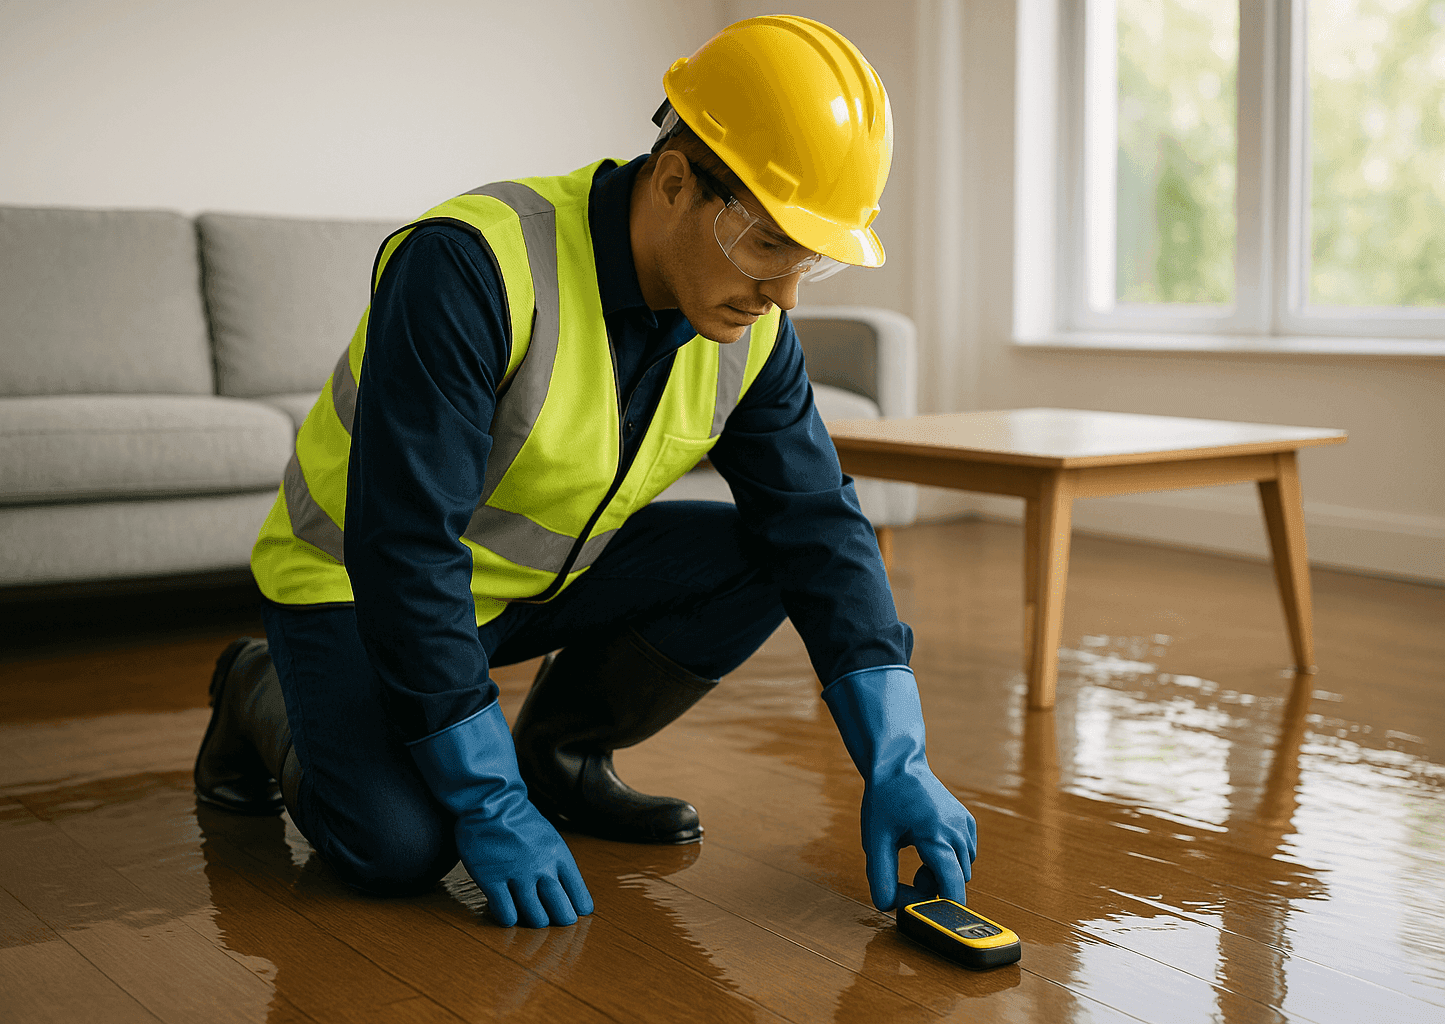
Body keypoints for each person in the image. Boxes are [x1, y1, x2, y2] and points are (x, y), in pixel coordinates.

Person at [193, 14, 977, 930]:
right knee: (399, 849)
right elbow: (404, 549)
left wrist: (899, 760)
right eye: (770, 244)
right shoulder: (469, 266)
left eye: (812, 259)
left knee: (771, 551)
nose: (787, 293)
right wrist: (487, 803)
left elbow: (818, 527)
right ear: (677, 181)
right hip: (354, 586)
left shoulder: (751, 329)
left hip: (528, 582)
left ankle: (560, 759)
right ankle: (258, 684)